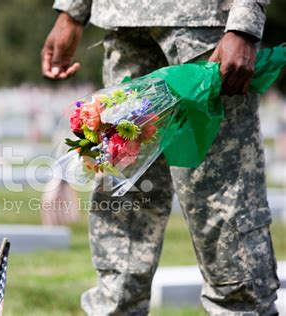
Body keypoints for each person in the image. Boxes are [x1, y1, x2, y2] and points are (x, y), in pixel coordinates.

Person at [41, 0, 280, 315]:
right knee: (122, 207)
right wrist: (71, 11)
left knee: (226, 214)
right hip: (124, 23)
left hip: (207, 27)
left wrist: (245, 20)